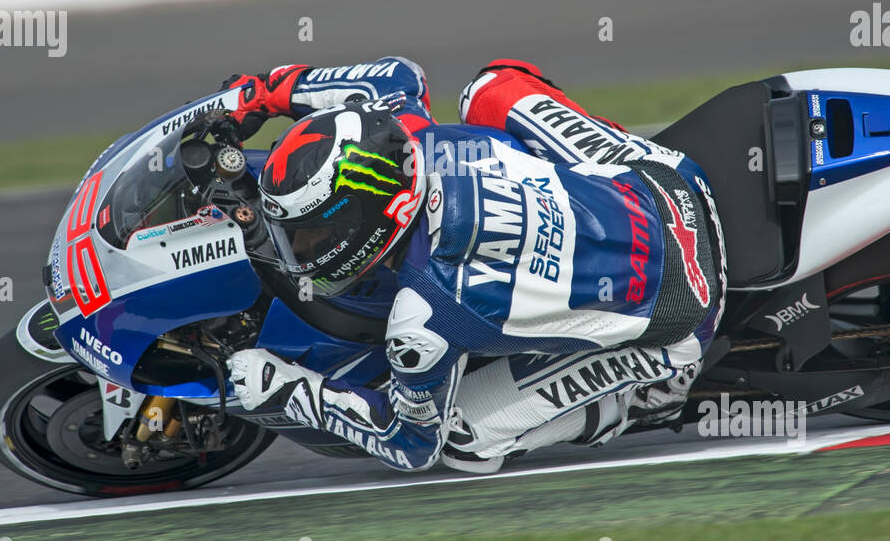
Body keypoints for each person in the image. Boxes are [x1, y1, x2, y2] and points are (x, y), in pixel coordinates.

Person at [222, 56, 726, 472]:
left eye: (316, 235)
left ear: (377, 212)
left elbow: (410, 443)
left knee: (464, 441)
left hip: (684, 314)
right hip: (669, 180)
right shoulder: (415, 136)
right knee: (489, 85)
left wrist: (292, 391)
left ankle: (644, 397)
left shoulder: (421, 317)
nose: (305, 250)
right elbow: (395, 76)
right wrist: (265, 94)